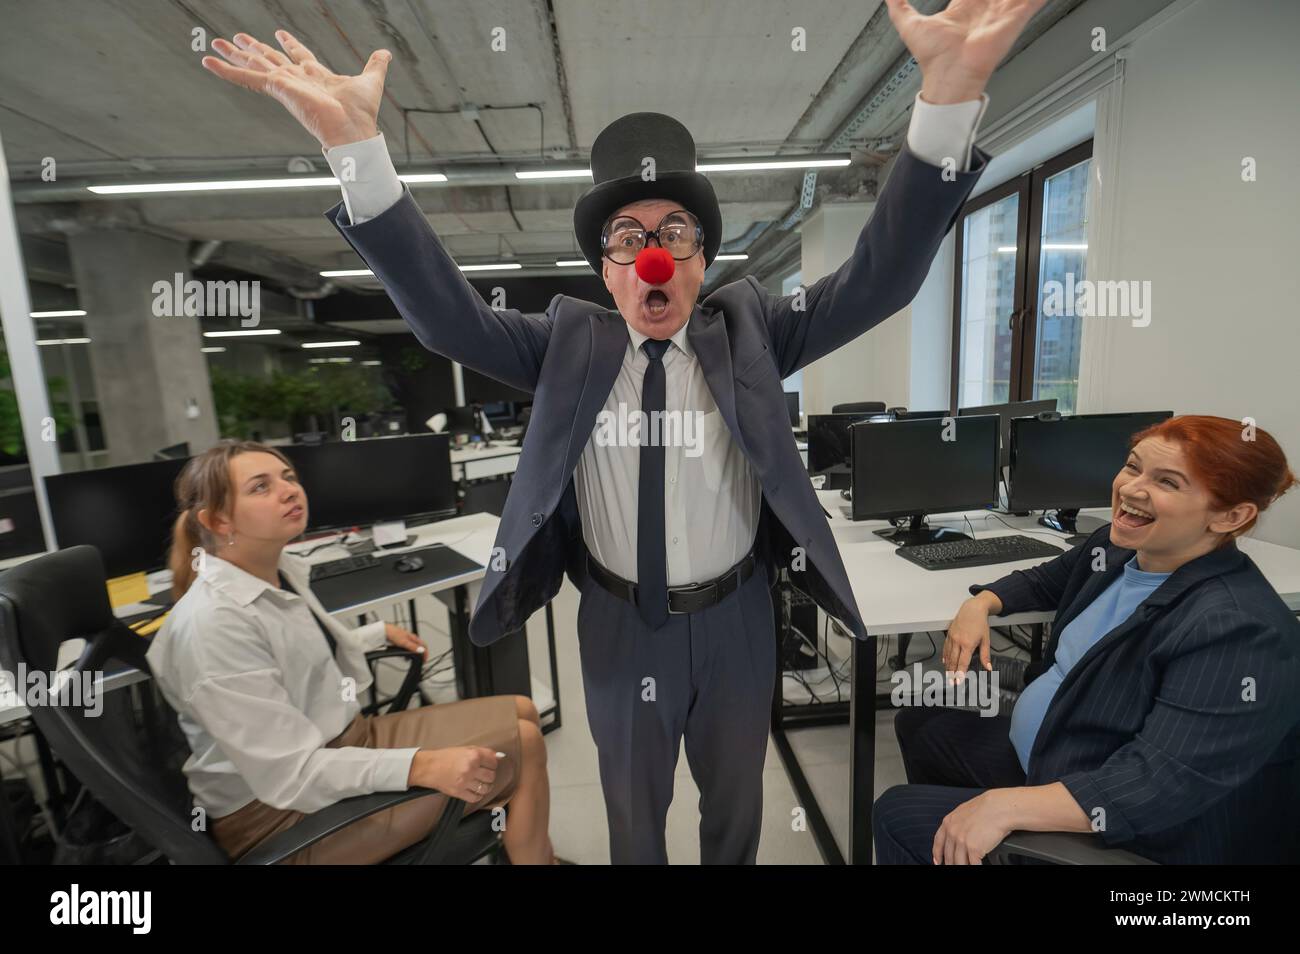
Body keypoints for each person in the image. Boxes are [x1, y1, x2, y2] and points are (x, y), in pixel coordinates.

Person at [197, 0, 1045, 863]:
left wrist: (946, 100)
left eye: (675, 233)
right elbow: (446, 317)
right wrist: (358, 154)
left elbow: (879, 280)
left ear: (703, 260)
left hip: (738, 621)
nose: (653, 253)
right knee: (634, 822)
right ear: (605, 270)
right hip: (616, 621)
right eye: (628, 237)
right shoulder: (564, 343)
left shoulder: (754, 328)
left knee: (736, 818)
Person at [874, 415, 1300, 864]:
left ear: (1231, 516)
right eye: (1133, 467)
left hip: (1137, 826)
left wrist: (1003, 807)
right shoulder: (1120, 548)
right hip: (1059, 750)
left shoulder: (1236, 630)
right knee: (921, 724)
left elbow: (1157, 782)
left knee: (898, 814)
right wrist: (980, 604)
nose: (1132, 489)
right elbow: (1043, 581)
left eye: (1168, 483)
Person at [146, 440, 561, 864]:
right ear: (216, 519)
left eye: (288, 477)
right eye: (260, 487)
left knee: (522, 711)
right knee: (524, 743)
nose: (289, 490)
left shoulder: (277, 570)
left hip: (341, 746)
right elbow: (290, 775)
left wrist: (372, 634)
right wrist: (421, 767)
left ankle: (524, 849)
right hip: (281, 816)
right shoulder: (212, 625)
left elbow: (285, 657)